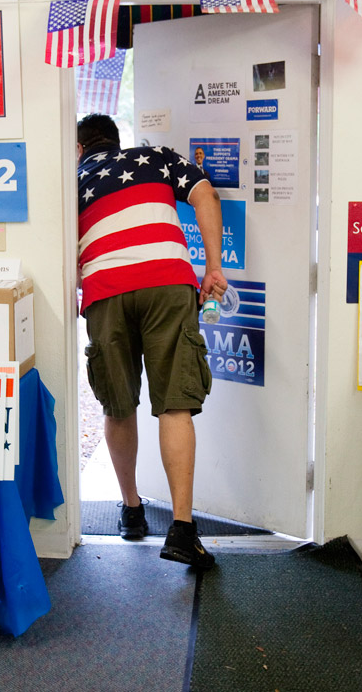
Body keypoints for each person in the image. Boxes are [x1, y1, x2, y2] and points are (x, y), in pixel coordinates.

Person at [77, 113, 226, 570]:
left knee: (117, 405)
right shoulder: (157, 156)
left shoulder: (74, 176)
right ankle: (182, 529)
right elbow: (205, 195)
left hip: (104, 290)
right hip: (167, 280)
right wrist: (214, 268)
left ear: (80, 148)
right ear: (118, 142)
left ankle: (132, 510)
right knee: (175, 404)